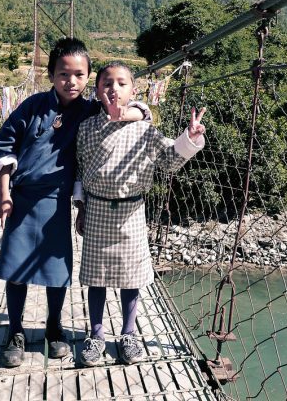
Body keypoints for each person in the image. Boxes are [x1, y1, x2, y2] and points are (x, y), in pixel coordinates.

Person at [0, 39, 150, 368]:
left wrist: (131, 110)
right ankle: (15, 331)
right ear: (50, 75)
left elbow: (141, 111)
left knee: (56, 269)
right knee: (16, 270)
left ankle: (53, 328)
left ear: (88, 77)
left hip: (60, 200)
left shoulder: (91, 110)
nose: (71, 81)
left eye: (79, 75)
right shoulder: (32, 106)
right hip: (22, 197)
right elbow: (4, 148)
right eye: (63, 74)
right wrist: (4, 195)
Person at [75, 61, 206, 366]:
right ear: (97, 91)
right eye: (107, 83)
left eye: (122, 83)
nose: (113, 89)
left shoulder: (145, 130)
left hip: (132, 211)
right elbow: (80, 169)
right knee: (97, 278)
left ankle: (128, 333)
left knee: (130, 278)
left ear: (133, 91)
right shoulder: (86, 128)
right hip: (96, 210)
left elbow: (170, 161)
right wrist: (80, 207)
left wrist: (190, 138)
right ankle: (96, 335)